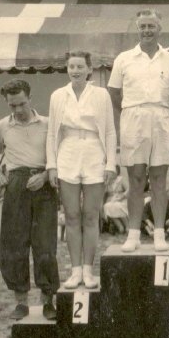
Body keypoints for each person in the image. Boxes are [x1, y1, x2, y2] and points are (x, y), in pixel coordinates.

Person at [0, 79, 59, 321]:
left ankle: (48, 299)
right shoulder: (1, 126)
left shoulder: (48, 124)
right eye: (12, 105)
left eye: (21, 104)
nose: (17, 110)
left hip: (44, 183)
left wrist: (46, 175)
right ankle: (20, 302)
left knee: (45, 246)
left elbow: (58, 157)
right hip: (16, 184)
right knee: (14, 245)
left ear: (30, 98)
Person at [108, 9, 169, 253]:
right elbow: (114, 94)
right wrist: (130, 114)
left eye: (151, 26)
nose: (147, 30)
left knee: (159, 179)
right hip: (133, 118)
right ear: (137, 29)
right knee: (136, 179)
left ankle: (159, 234)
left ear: (159, 28)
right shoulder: (123, 58)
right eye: (143, 27)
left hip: (161, 118)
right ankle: (133, 234)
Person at [46, 51, 117, 289]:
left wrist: (110, 164)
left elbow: (108, 131)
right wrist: (52, 165)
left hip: (94, 153)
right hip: (67, 153)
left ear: (89, 69)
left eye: (80, 66)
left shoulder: (101, 94)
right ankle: (75, 271)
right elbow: (52, 133)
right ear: (67, 69)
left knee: (90, 215)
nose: (75, 71)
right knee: (72, 215)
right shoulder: (58, 95)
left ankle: (88, 271)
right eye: (71, 67)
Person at [103, 166, 129, 234]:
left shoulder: (122, 179)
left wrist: (122, 196)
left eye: (112, 172)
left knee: (117, 206)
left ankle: (127, 226)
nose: (110, 173)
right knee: (106, 206)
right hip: (111, 201)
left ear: (117, 172)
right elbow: (105, 194)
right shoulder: (108, 182)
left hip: (122, 200)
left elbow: (129, 190)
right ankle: (120, 226)